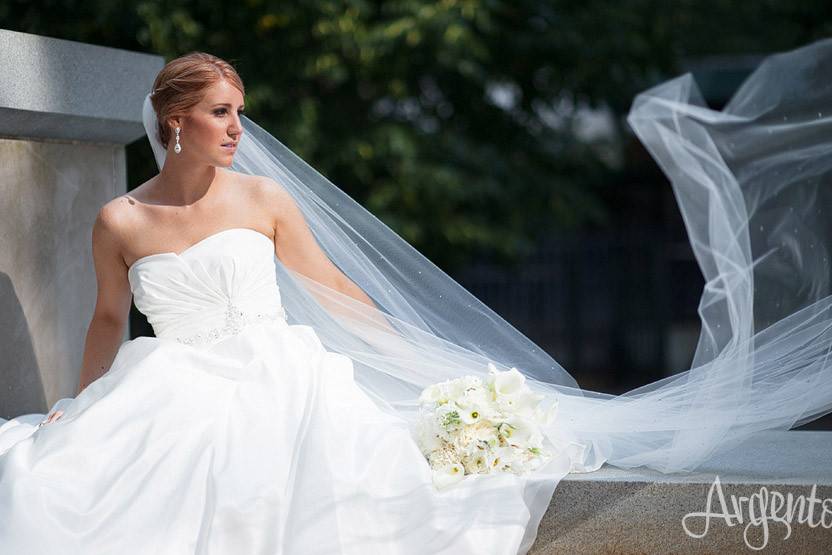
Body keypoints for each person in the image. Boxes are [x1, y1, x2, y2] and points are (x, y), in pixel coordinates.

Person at [2, 40, 832, 553]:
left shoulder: (264, 201)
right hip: (171, 383)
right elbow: (110, 316)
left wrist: (416, 353)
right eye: (221, 113)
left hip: (278, 375)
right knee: (60, 488)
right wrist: (79, 398)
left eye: (241, 113)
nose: (237, 130)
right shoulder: (120, 216)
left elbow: (332, 286)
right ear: (175, 118)